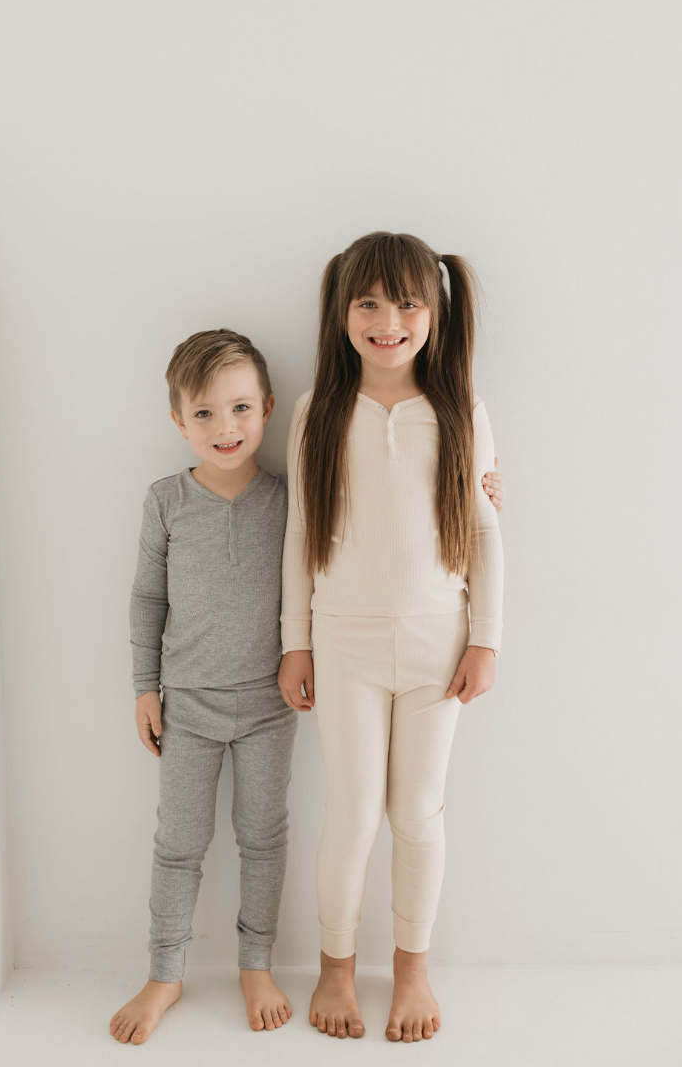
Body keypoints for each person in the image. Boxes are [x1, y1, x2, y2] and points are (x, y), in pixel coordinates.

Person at [277, 231, 505, 1043]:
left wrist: (487, 638)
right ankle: (337, 968)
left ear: (435, 311)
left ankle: (413, 968)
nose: (387, 321)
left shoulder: (458, 409)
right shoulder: (319, 411)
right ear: (342, 311)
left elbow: (481, 529)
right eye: (367, 303)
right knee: (353, 813)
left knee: (417, 810)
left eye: (408, 303)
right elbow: (301, 532)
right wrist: (293, 639)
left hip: (439, 644)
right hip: (344, 644)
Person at [110, 329, 298, 1043]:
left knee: (263, 838)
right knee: (179, 844)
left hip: (269, 707)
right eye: (206, 414)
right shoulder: (165, 501)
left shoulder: (287, 500)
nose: (226, 428)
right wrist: (144, 687)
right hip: (186, 706)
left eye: (242, 409)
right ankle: (165, 973)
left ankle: (256, 963)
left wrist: (483, 488)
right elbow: (146, 601)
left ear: (268, 409)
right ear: (178, 420)